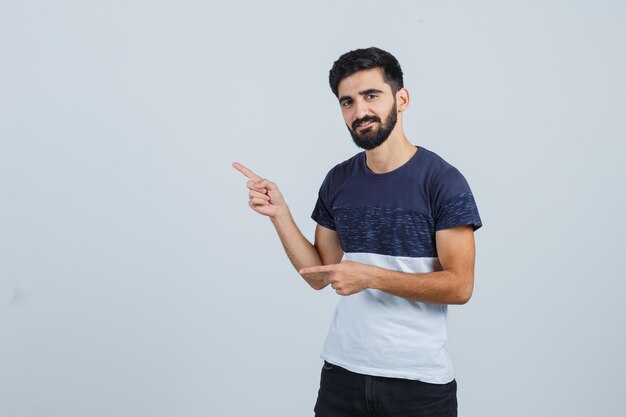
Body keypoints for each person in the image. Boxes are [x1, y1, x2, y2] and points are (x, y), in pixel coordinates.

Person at [233, 47, 482, 417]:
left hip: (418, 386)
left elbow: (460, 286)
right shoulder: (338, 180)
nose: (359, 111)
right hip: (342, 377)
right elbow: (321, 274)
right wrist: (280, 214)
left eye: (371, 96)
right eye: (347, 102)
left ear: (402, 99)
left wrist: (369, 276)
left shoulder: (443, 181)